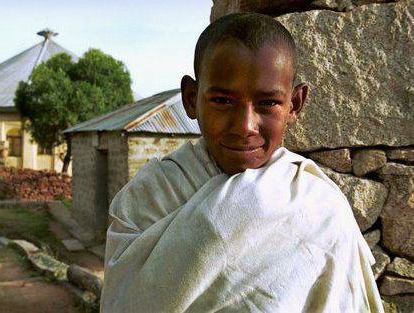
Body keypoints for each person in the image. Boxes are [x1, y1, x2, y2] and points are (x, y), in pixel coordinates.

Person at [100, 12, 383, 313]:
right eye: (223, 101)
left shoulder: (321, 209)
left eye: (268, 103)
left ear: (295, 104)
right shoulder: (146, 199)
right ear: (191, 98)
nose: (244, 126)